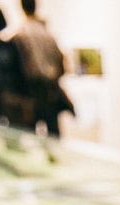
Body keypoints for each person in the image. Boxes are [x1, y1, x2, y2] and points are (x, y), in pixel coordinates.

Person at [12, 0, 73, 136]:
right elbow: (61, 64)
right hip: (50, 90)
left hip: (32, 92)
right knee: (53, 136)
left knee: (30, 136)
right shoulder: (48, 35)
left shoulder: (21, 35)